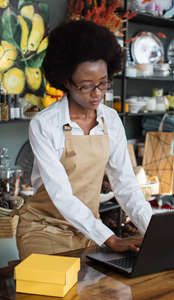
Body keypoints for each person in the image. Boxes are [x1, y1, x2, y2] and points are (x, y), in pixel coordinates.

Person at [16, 20, 152, 259]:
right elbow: (61, 196)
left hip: (88, 230)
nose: (98, 93)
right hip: (44, 229)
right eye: (87, 86)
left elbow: (126, 184)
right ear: (67, 82)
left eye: (103, 83)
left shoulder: (111, 120)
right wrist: (110, 238)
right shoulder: (44, 124)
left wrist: (153, 231)